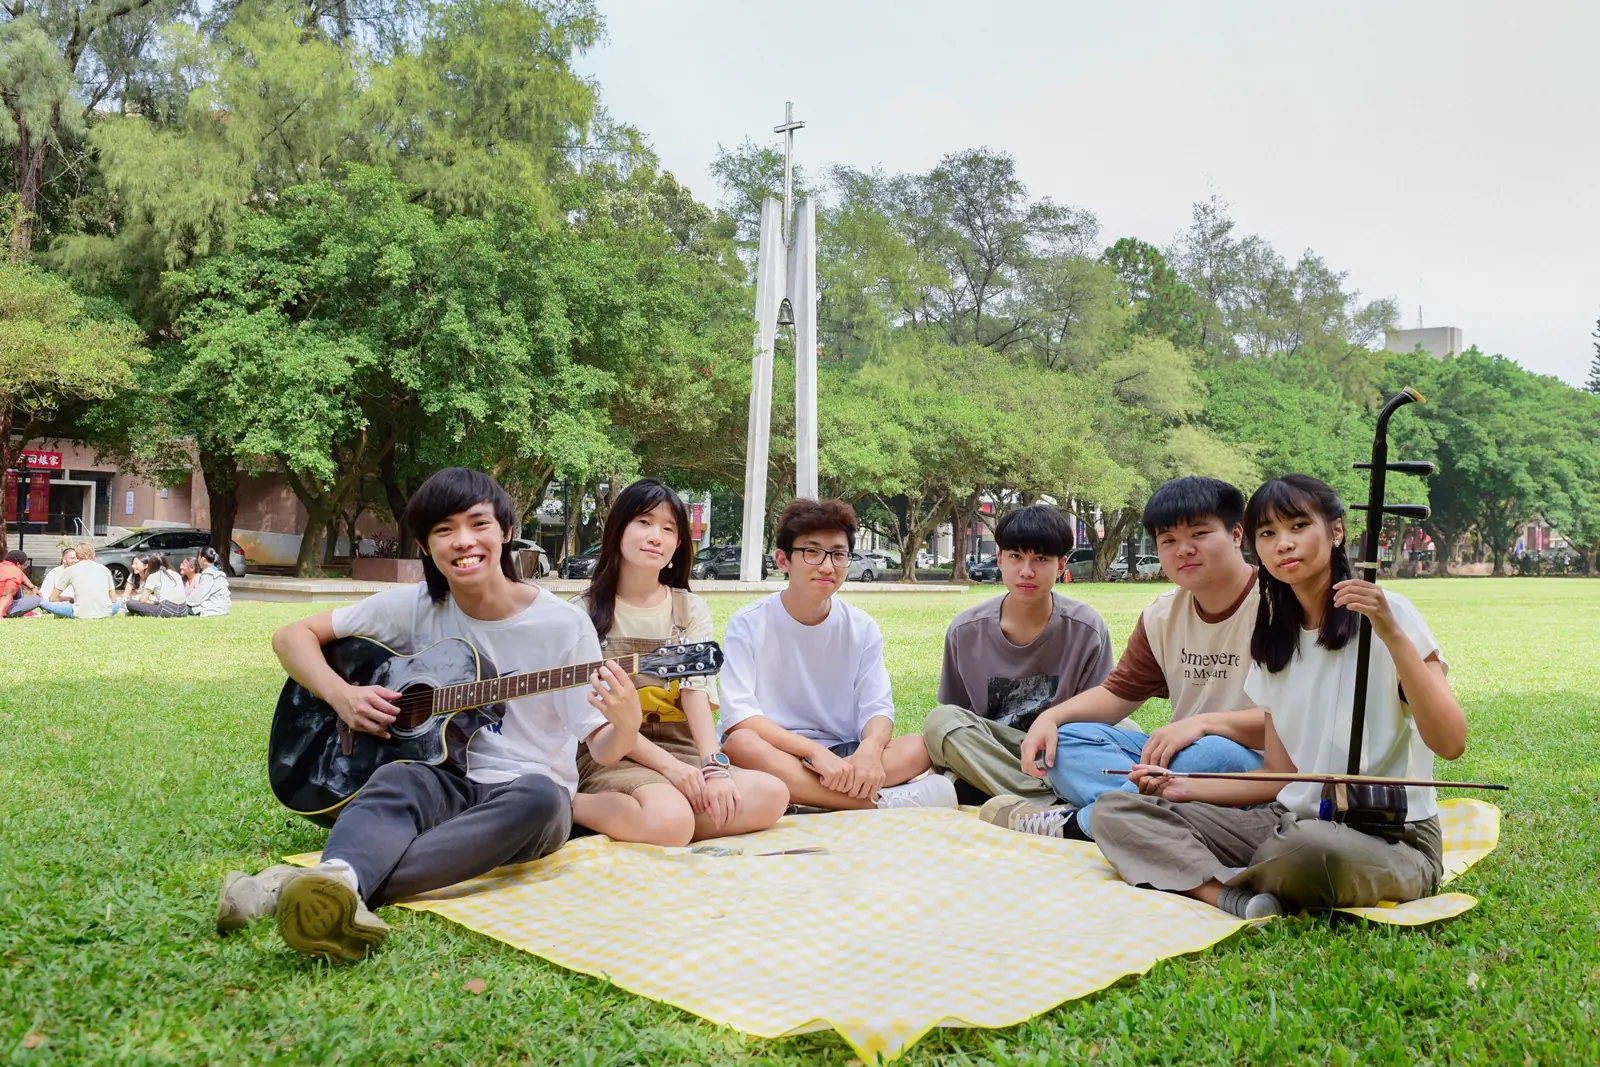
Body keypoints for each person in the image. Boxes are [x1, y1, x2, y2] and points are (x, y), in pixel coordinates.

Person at [216, 467, 645, 960]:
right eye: (444, 530)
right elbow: (290, 637)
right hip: (444, 778)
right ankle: (336, 886)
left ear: (506, 532)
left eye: (478, 524)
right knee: (397, 779)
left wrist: (627, 724)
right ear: (424, 545)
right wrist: (343, 696)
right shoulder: (414, 606)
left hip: (524, 793)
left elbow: (601, 745)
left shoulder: (562, 626)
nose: (464, 542)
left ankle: (310, 885)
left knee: (545, 800)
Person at [1090, 475, 1467, 918]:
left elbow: (1450, 741)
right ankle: (1226, 895)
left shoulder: (1390, 615)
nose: (1283, 544)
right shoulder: (1274, 637)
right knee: (1115, 810)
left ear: (1336, 531)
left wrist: (1392, 635)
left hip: (1387, 836)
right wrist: (1179, 789)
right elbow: (1277, 774)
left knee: (1311, 848)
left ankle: (1232, 873)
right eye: (1268, 534)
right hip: (1285, 822)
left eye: (1298, 527)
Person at [983, 477, 1266, 840]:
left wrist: (1203, 724)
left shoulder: (1279, 606)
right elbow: (1118, 695)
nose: (1183, 550)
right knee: (1067, 742)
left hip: (1252, 765)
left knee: (1206, 755)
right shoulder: (1162, 616)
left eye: (1198, 534)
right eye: (1168, 541)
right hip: (1178, 761)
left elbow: (1298, 723)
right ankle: (1154, 818)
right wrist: (1051, 717)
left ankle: (1082, 824)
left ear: (1237, 535)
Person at [570, 479, 788, 845]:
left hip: (680, 745)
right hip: (613, 753)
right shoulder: (582, 614)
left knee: (772, 795)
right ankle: (569, 805)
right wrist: (671, 770)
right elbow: (596, 724)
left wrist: (713, 769)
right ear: (618, 530)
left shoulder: (688, 608)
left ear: (678, 545)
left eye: (668, 528)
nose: (656, 535)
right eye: (644, 522)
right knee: (671, 821)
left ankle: (652, 819)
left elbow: (695, 693)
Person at [720, 498, 956, 810]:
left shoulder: (861, 627)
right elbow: (741, 718)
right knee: (741, 745)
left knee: (918, 747)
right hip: (779, 750)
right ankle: (876, 803)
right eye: (812, 552)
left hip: (846, 756)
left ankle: (807, 796)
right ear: (782, 560)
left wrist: (870, 751)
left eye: (838, 554)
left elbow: (878, 709)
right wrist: (813, 753)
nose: (827, 566)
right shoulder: (748, 624)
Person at [922, 504, 1115, 805]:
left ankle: (989, 787)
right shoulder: (965, 630)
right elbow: (955, 710)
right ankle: (1053, 799)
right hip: (995, 747)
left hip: (1059, 747)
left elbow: (1099, 716)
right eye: (1016, 557)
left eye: (1040, 559)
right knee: (940, 722)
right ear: (999, 559)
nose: (1026, 571)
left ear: (1061, 565)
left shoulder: (1087, 629)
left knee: (1125, 730)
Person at [39, 542, 120, 618]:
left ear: (77, 557)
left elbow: (52, 598)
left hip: (79, 612)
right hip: (105, 612)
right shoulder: (105, 569)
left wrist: (67, 600)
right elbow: (113, 600)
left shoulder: (70, 570)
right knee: (118, 604)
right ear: (93, 555)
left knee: (44, 603)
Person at [125, 552, 190, 617]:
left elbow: (143, 600)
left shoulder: (153, 576)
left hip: (167, 610)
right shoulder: (176, 574)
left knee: (131, 603)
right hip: (183, 610)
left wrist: (153, 602)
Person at [185, 546, 232, 616]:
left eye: (198, 558)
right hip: (223, 607)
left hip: (212, 608)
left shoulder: (208, 574)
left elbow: (198, 596)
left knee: (180, 608)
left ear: (203, 559)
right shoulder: (219, 572)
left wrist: (185, 601)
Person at [1, 550, 41, 618]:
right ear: (18, 564)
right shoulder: (16, 572)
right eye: (24, 565)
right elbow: (6, 595)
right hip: (3, 607)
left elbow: (22, 575)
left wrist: (33, 588)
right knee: (37, 599)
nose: (24, 568)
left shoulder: (3, 566)